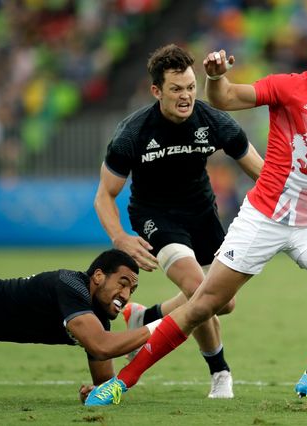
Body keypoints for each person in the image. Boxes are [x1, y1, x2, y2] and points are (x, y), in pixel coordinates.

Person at [86, 29, 307, 408]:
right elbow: (227, 97)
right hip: (263, 218)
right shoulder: (290, 88)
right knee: (202, 306)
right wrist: (215, 77)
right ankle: (121, 383)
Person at [93, 44, 263, 399]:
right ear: (157, 91)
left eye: (190, 87)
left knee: (224, 302)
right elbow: (104, 194)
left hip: (203, 215)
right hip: (156, 218)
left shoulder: (213, 121)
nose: (186, 96)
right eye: (176, 89)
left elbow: (261, 173)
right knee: (198, 290)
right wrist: (120, 237)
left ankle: (147, 317)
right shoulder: (133, 133)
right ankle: (220, 373)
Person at [0, 249, 157, 404]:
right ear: (99, 276)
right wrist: (162, 326)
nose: (126, 296)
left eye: (132, 290)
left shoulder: (97, 320)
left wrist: (97, 392)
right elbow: (101, 345)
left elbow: (105, 384)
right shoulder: (70, 284)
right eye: (123, 283)